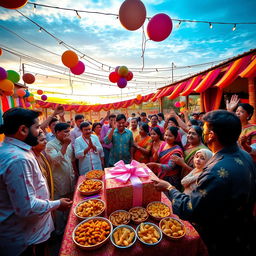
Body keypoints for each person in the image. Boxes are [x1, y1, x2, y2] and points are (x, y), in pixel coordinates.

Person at [152, 110, 256, 255]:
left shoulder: (216, 171)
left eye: (205, 128)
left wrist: (169, 188)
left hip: (221, 238)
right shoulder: (245, 156)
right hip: (243, 230)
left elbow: (191, 209)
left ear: (211, 135)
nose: (203, 132)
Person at [0, 108, 72, 256]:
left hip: (29, 233)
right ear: (23, 130)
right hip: (24, 240)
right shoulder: (18, 159)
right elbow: (27, 207)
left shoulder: (15, 149)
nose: (42, 132)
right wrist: (57, 204)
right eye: (38, 127)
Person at [45, 123, 75, 236]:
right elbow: (55, 161)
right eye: (65, 132)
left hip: (70, 179)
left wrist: (74, 174)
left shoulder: (68, 143)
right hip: (59, 181)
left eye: (68, 131)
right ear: (57, 132)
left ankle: (69, 229)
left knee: (70, 205)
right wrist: (65, 146)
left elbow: (70, 161)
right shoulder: (50, 145)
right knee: (59, 208)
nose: (68, 134)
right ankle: (59, 232)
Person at [32, 131, 54, 199]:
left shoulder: (41, 155)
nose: (45, 142)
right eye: (42, 140)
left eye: (45, 139)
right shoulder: (31, 159)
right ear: (32, 142)